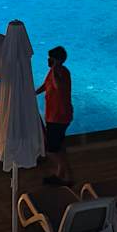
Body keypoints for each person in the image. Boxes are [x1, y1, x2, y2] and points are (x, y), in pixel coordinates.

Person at [38, 45, 73, 186]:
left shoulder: (61, 72)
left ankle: (66, 175)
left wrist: (54, 68)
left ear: (56, 60)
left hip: (58, 116)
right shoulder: (54, 72)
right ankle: (63, 175)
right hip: (55, 115)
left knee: (51, 150)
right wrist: (33, 93)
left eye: (51, 58)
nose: (48, 60)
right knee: (59, 147)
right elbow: (46, 85)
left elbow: (58, 86)